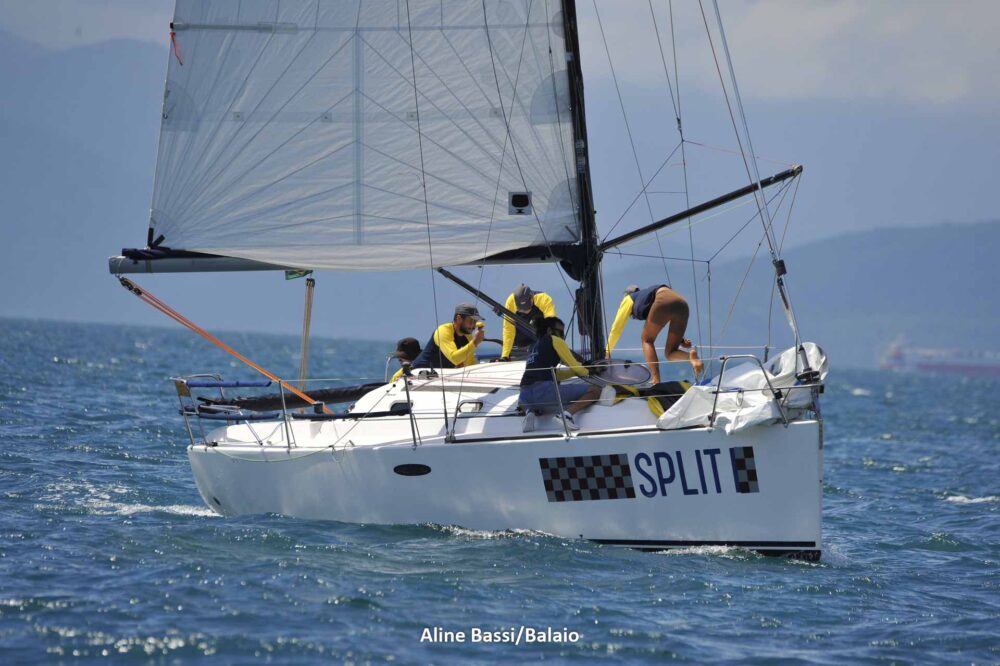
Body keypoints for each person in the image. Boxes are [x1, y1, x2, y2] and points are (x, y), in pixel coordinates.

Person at [518, 317, 610, 432]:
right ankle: (566, 415)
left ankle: (529, 413)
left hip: (524, 396)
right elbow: (576, 367)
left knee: (529, 400)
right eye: (560, 332)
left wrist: (575, 371)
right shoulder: (554, 340)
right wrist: (591, 370)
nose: (563, 336)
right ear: (549, 330)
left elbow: (554, 374)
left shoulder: (533, 346)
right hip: (543, 392)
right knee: (595, 390)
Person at [606, 284, 704, 384]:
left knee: (647, 340)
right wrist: (681, 340)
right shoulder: (646, 297)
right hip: (682, 304)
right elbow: (668, 313)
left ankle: (656, 379)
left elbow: (616, 329)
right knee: (670, 353)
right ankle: (691, 357)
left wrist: (607, 351)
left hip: (663, 299)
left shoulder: (628, 299)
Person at [411, 303, 486, 370]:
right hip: (419, 374)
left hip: (442, 375)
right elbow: (455, 358)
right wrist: (475, 342)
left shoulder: (468, 336)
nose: (473, 326)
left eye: (475, 322)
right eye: (471, 321)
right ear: (459, 318)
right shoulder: (443, 331)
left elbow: (470, 362)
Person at [499, 284, 556, 361]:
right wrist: (505, 355)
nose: (525, 311)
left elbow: (552, 325)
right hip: (519, 346)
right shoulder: (511, 301)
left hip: (539, 341)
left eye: (527, 308)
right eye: (521, 309)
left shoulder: (543, 299)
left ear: (531, 298)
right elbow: (508, 329)